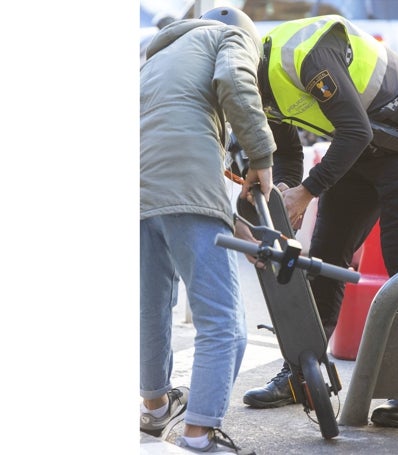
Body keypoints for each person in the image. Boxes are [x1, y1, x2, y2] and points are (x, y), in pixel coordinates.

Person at [242, 14, 398, 428]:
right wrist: (282, 197)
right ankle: (301, 376)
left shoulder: (304, 55)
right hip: (362, 149)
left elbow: (355, 130)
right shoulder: (260, 87)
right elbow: (289, 156)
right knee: (324, 258)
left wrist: (307, 191)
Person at [140, 6, 277, 453]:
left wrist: (236, 221)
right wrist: (262, 159)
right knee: (223, 322)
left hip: (139, 192)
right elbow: (236, 84)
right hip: (185, 181)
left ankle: (156, 407)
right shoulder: (225, 36)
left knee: (152, 305)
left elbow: (172, 138)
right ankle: (199, 433)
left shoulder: (153, 58)